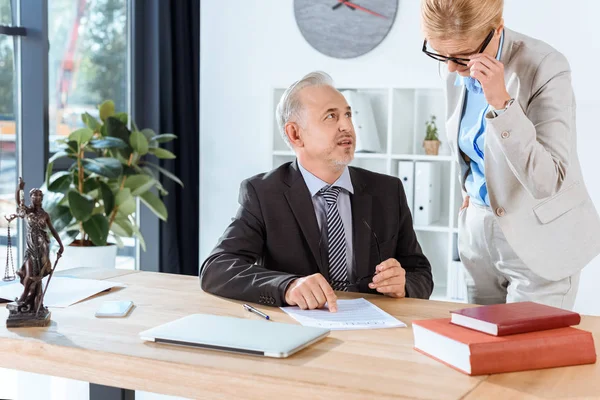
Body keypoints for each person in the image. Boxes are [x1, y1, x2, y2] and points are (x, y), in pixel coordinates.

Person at [200, 71, 433, 310]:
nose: (347, 126)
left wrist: (403, 283)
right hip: (298, 330)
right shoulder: (263, 193)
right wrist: (287, 286)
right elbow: (217, 268)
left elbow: (420, 273)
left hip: (374, 328)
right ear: (295, 134)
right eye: (331, 116)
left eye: (348, 114)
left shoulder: (388, 191)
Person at [420, 0, 600, 309]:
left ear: (496, 30)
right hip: (479, 236)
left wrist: (503, 104)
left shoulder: (545, 66)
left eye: (462, 58)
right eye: (440, 54)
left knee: (531, 352)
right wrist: (472, 192)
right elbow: (469, 146)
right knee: (483, 345)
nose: (450, 68)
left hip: (540, 237)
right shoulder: (453, 63)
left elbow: (548, 180)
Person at [5, 178, 64, 313]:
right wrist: (19, 188)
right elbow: (18, 202)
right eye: (33, 195)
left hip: (43, 247)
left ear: (41, 198)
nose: (36, 197)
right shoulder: (26, 211)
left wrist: (61, 244)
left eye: (39, 195)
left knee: (38, 275)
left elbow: (53, 230)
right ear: (30, 197)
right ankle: (25, 296)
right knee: (29, 273)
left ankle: (34, 300)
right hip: (31, 247)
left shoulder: (45, 214)